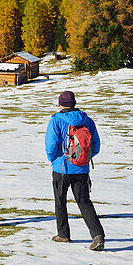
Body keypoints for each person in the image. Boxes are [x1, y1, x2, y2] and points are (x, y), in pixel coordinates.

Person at [44, 90, 105, 250]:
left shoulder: (56, 120)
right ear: (74, 103)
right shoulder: (87, 120)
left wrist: (54, 160)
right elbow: (96, 146)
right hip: (82, 169)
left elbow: (51, 146)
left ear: (60, 104)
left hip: (61, 168)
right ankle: (97, 235)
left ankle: (63, 235)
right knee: (84, 202)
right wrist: (83, 158)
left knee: (60, 201)